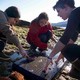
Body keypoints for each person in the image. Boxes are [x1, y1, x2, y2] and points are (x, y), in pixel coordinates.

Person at [49, 0, 80, 78]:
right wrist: (62, 54)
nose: (58, 14)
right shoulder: (77, 15)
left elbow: (65, 37)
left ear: (66, 7)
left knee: (67, 49)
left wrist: (50, 57)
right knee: (73, 71)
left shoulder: (75, 13)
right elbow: (72, 39)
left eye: (58, 11)